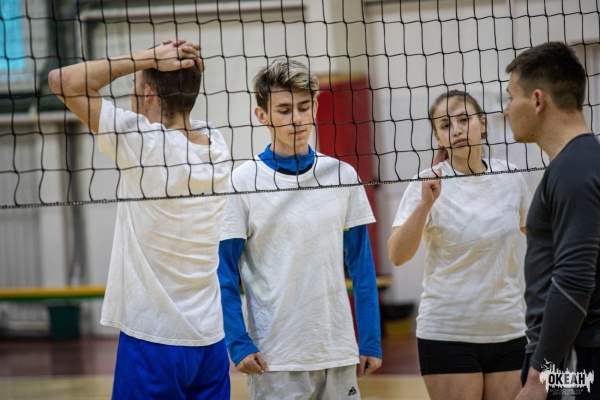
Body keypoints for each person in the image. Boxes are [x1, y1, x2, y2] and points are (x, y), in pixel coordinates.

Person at [48, 39, 231, 399]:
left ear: (148, 93)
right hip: (210, 342)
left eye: (134, 86)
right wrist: (185, 72)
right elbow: (181, 110)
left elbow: (62, 81)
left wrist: (147, 58)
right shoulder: (216, 145)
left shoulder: (142, 143)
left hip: (155, 339)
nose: (130, 95)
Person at [217, 58, 382, 399]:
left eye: (304, 107)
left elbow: (362, 267)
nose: (296, 118)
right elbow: (224, 272)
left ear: (315, 108)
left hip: (338, 349)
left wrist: (370, 338)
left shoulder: (342, 175)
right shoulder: (242, 182)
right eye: (284, 110)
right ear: (261, 115)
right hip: (275, 357)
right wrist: (238, 343)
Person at [388, 90, 532, 400]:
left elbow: (540, 240)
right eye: (445, 125)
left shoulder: (510, 177)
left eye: (464, 120)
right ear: (438, 137)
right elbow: (397, 255)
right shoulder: (427, 182)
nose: (456, 130)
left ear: (483, 124)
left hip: (507, 329)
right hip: (447, 333)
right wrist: (425, 205)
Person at [504, 41, 600, 400]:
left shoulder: (575, 171)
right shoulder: (579, 163)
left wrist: (539, 375)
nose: (507, 108)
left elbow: (574, 281)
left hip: (574, 357)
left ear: (538, 100)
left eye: (511, 97)